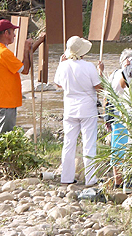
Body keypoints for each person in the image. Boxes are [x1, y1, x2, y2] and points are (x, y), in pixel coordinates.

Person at [54, 36, 103, 186]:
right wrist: (100, 72)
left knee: (69, 143)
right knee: (89, 143)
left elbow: (58, 85)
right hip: (87, 108)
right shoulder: (88, 66)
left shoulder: (63, 65)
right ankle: (90, 178)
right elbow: (99, 87)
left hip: (70, 108)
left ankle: (66, 177)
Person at [0, 19, 33, 134]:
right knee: (4, 137)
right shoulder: (4, 53)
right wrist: (26, 49)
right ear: (6, 33)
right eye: (12, 32)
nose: (15, 35)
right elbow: (25, 70)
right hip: (5, 102)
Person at [107, 48, 132, 190]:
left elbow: (107, 96)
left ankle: (120, 182)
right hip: (123, 115)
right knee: (122, 149)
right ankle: (122, 182)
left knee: (119, 148)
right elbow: (111, 93)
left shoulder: (115, 74)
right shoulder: (120, 75)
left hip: (121, 115)